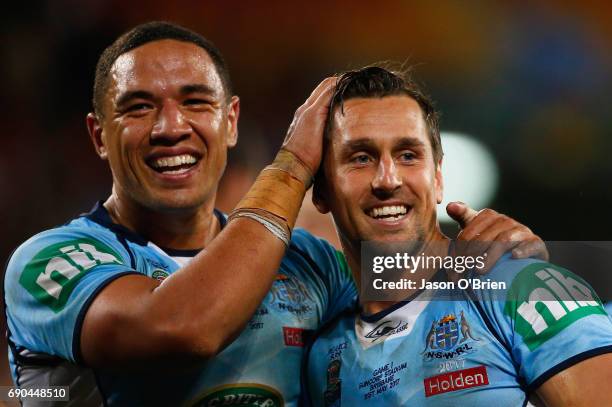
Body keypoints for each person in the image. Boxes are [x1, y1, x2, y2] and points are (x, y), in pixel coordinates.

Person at [4, 22, 547, 406]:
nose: (171, 126)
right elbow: (182, 327)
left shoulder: (308, 263)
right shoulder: (50, 262)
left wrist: (507, 263)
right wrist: (291, 165)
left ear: (231, 121)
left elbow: (407, 290)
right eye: (139, 107)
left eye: (196, 102)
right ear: (99, 136)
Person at [303, 66, 612, 406]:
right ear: (320, 191)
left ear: (437, 178)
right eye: (361, 158)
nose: (388, 180)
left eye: (408, 155)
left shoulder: (522, 287)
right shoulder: (321, 356)